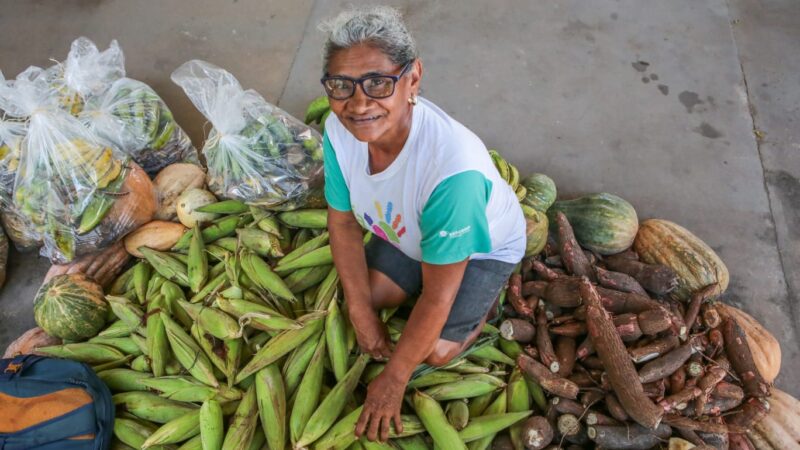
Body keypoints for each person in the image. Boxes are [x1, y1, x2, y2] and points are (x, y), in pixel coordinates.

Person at [319, 6, 526, 443]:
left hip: (480, 249)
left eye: (378, 83)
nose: (358, 104)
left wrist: (394, 380)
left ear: (412, 79)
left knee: (434, 351)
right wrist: (360, 313)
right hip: (405, 233)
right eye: (341, 86)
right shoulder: (339, 131)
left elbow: (437, 295)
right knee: (368, 297)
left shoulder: (452, 174)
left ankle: (484, 303)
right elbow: (341, 223)